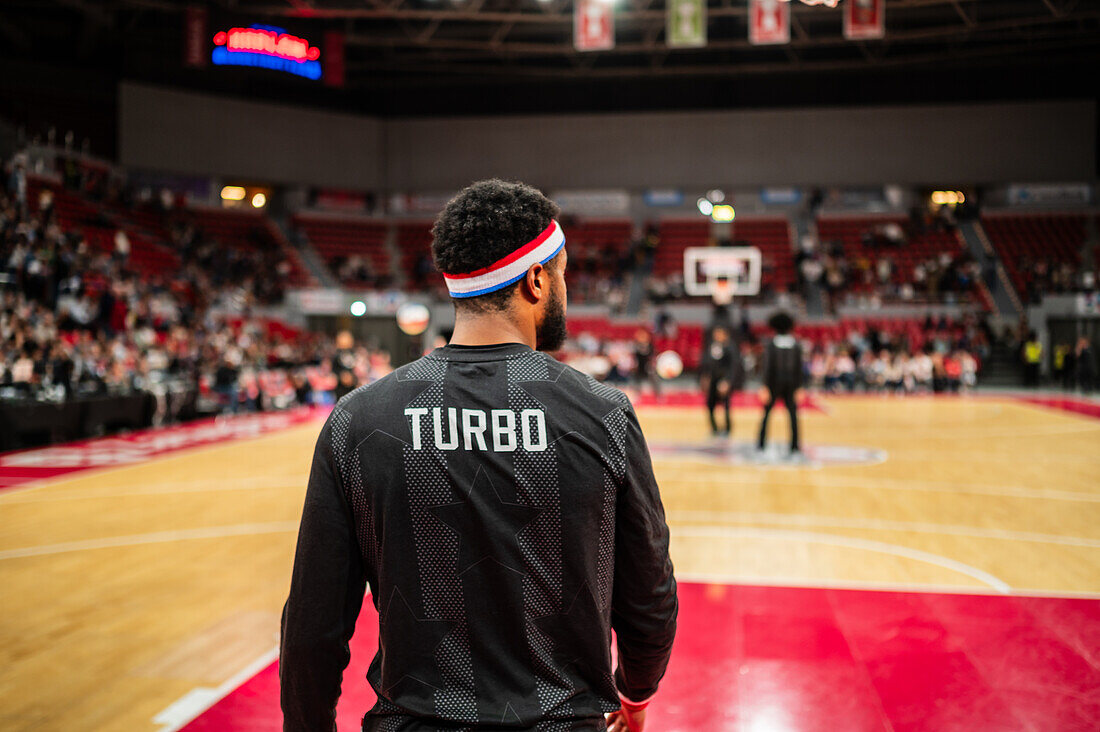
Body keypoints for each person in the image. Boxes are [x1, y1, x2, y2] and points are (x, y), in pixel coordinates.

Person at [280, 179, 677, 732]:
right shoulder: (602, 413)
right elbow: (650, 596)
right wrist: (635, 695)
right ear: (537, 279)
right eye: (562, 271)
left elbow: (311, 627)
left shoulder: (358, 420)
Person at [757, 311, 805, 455]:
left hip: (784, 384)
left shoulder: (789, 345)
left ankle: (793, 445)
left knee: (790, 415)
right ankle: (763, 443)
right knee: (773, 415)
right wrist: (765, 386)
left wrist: (800, 387)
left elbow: (798, 367)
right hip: (776, 384)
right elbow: (767, 366)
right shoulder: (783, 345)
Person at [700, 325, 743, 437]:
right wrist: (706, 377)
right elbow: (707, 363)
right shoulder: (713, 346)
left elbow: (733, 366)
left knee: (726, 406)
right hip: (713, 381)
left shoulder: (730, 347)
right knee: (710, 405)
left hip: (724, 381)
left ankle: (728, 429)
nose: (717, 336)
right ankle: (714, 429)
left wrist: (727, 381)